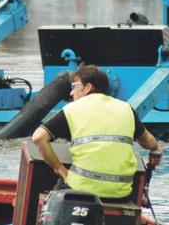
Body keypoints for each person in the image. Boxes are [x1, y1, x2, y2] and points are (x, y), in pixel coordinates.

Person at [30, 65, 162, 202]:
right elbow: (149, 142)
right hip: (121, 193)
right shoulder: (126, 108)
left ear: (88, 87)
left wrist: (59, 169)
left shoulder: (72, 110)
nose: (71, 93)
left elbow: (38, 137)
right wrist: (156, 150)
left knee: (50, 196)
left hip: (82, 190)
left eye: (74, 86)